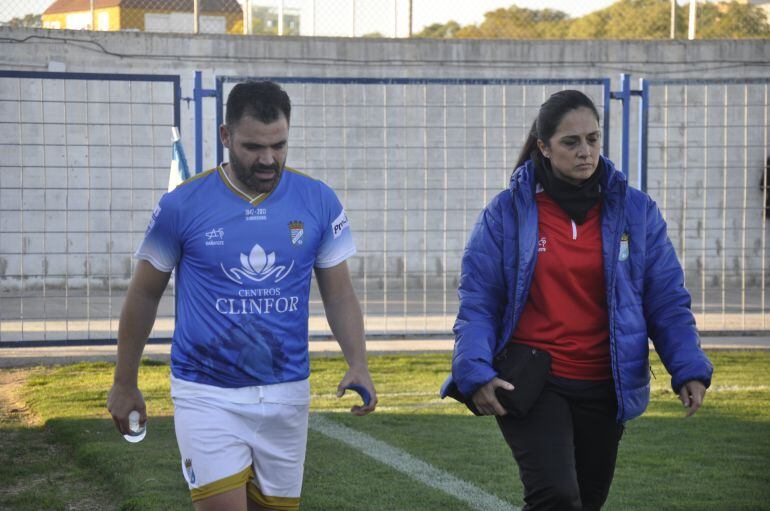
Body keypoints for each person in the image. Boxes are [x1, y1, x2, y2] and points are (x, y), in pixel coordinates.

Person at [107, 81, 377, 511]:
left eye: (279, 145)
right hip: (206, 392)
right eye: (253, 147)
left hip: (287, 392)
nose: (268, 159)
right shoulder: (183, 204)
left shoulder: (318, 200)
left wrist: (358, 363)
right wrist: (125, 381)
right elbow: (143, 294)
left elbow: (340, 294)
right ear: (225, 136)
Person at [440, 90, 713, 511]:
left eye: (593, 139)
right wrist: (474, 371)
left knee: (586, 501)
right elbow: (478, 300)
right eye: (571, 142)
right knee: (556, 497)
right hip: (533, 381)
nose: (585, 151)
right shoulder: (506, 213)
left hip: (607, 384)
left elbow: (666, 299)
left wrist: (688, 367)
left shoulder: (636, 212)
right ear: (544, 147)